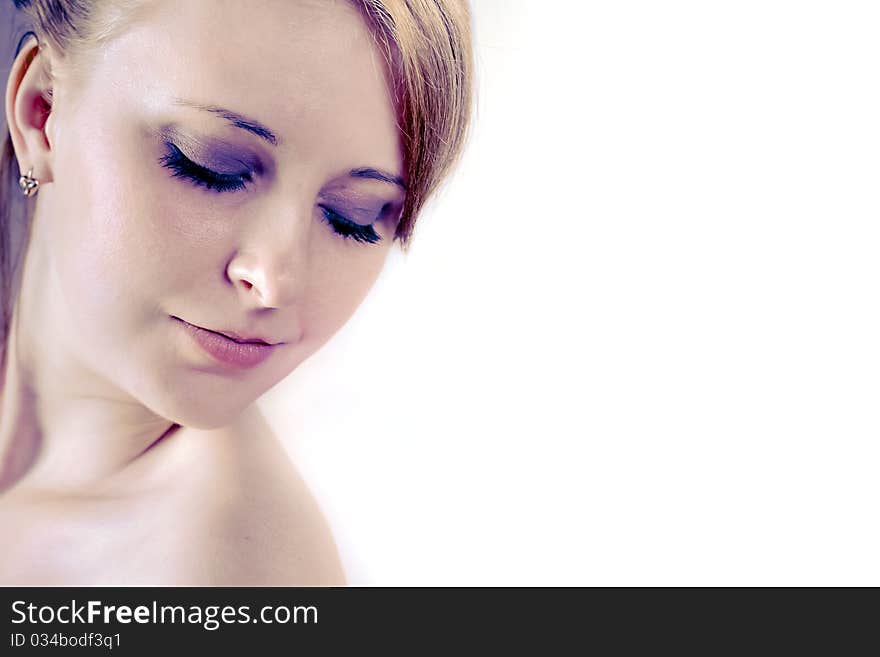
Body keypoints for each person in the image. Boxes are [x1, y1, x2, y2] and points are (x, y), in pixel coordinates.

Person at [0, 0, 472, 585]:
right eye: (211, 167)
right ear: (42, 112)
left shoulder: (230, 574)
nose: (273, 281)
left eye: (354, 218)